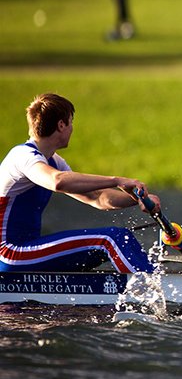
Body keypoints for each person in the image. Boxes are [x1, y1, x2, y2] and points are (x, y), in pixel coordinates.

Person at [0, 93, 158, 273]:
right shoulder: (23, 156)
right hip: (9, 253)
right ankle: (154, 286)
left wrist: (138, 199)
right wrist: (117, 180)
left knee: (113, 242)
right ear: (61, 125)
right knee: (111, 239)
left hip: (26, 251)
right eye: (71, 122)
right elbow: (57, 181)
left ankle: (144, 282)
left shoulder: (53, 161)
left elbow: (98, 197)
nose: (72, 128)